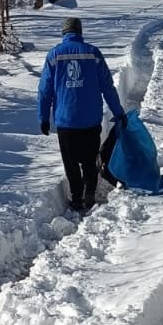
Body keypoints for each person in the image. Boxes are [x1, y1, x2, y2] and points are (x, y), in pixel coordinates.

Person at [38, 16, 127, 211]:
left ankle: (76, 198)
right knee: (89, 160)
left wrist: (43, 118)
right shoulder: (93, 54)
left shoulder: (54, 55)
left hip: (66, 121)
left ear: (64, 33)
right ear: (80, 32)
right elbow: (108, 87)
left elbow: (45, 90)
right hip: (90, 120)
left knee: (71, 163)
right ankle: (89, 194)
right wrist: (119, 112)